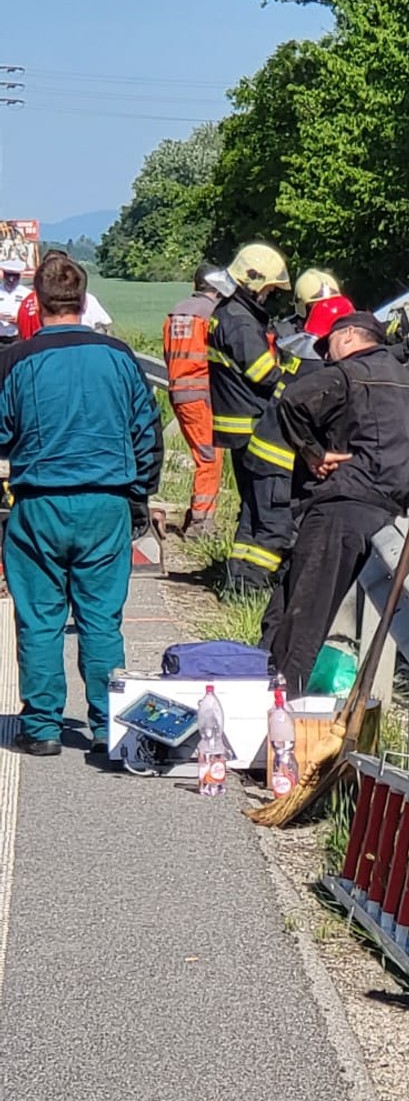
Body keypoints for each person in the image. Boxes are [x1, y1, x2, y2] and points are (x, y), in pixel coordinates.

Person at [0, 250, 162, 755]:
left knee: (40, 618)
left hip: (38, 506)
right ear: (84, 299)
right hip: (105, 504)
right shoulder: (118, 358)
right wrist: (139, 497)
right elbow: (147, 433)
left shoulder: (15, 361)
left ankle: (43, 727)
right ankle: (106, 724)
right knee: (100, 619)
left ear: (37, 301)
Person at [264, 310, 409, 696]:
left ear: (351, 335)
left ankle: (279, 708)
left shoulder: (348, 374)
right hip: (386, 512)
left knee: (302, 616)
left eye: (329, 344)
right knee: (289, 605)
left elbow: (291, 400)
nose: (326, 355)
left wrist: (312, 452)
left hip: (342, 505)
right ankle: (264, 684)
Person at [239, 290, 356, 585]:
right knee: (275, 530)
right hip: (279, 458)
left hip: (261, 451)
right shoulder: (323, 370)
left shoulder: (299, 357)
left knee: (251, 525)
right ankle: (253, 588)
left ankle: (236, 583)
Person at [206, 241, 290, 588]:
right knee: (269, 513)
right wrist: (299, 379)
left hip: (239, 429)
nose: (269, 295)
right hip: (255, 427)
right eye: (269, 289)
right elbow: (263, 374)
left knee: (252, 510)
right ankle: (253, 585)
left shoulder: (227, 313)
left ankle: (238, 579)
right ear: (254, 283)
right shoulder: (240, 323)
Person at [162, 263, 225, 535]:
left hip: (179, 391)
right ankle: (201, 522)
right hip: (201, 392)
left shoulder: (176, 312)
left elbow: (167, 353)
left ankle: (197, 516)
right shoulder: (210, 316)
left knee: (204, 454)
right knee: (210, 458)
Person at [0, 262, 31, 338]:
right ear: (3, 275)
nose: (11, 280)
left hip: (17, 336)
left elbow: (32, 315)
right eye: (8, 276)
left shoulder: (27, 294)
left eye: (15, 277)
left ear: (19, 276)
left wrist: (19, 318)